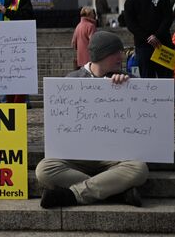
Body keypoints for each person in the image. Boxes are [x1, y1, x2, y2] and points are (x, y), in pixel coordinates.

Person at [36, 31, 149, 208]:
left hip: (114, 157)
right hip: (77, 156)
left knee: (139, 169)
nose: (121, 56)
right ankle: (115, 192)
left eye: (121, 52)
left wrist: (127, 90)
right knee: (44, 170)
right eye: (115, 53)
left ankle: (74, 194)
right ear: (101, 55)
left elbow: (140, 120)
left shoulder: (128, 80)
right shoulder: (71, 80)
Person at [123, 0, 175, 79]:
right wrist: (148, 37)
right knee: (147, 79)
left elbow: (168, 18)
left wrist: (156, 36)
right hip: (143, 47)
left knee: (167, 78)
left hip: (163, 44)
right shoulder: (131, 1)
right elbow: (131, 24)